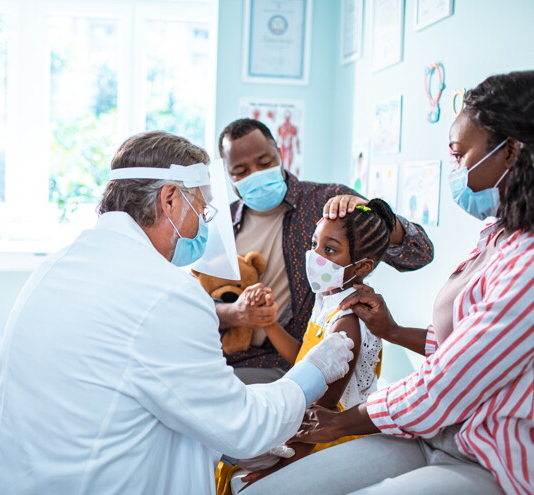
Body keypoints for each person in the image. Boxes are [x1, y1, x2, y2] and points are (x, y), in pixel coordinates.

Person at [0, 131, 356, 495]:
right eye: (201, 211)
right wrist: (313, 371)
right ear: (170, 199)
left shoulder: (56, 266)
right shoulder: (166, 294)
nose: (202, 229)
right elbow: (243, 428)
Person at [240, 71, 534, 495]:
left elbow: (450, 379)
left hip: (487, 451)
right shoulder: (496, 233)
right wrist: (393, 331)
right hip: (433, 430)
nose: (455, 169)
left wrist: (388, 222)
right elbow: (468, 345)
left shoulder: (524, 263)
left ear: (510, 153)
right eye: (313, 244)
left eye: (458, 155)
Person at [216, 118, 434, 384]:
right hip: (230, 357)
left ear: (279, 152)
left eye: (264, 163)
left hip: (296, 363)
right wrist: (236, 313)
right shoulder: (222, 224)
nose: (256, 174)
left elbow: (419, 254)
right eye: (241, 171)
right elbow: (202, 301)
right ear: (227, 175)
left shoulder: (329, 204)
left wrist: (373, 211)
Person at [221, 199, 396, 494]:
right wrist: (269, 323)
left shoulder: (348, 320)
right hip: (309, 416)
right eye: (315, 243)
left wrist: (280, 467)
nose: (315, 256)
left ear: (363, 266)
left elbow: (322, 412)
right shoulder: (327, 298)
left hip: (330, 430)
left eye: (329, 250)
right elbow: (303, 359)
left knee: (237, 472)